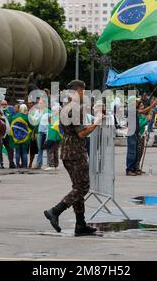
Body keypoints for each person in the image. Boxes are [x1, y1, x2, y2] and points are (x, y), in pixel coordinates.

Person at [44, 80, 102, 237]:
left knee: (78, 187)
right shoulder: (75, 109)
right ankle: (55, 211)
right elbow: (82, 133)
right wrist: (97, 122)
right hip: (76, 152)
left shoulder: (66, 108)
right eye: (83, 91)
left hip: (69, 151)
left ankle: (80, 224)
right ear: (78, 91)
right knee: (82, 188)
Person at [9, 104, 32, 169]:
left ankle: (18, 166)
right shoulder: (27, 117)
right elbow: (32, 126)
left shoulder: (14, 117)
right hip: (25, 137)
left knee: (17, 152)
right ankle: (25, 166)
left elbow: (10, 124)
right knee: (24, 152)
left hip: (16, 137)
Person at [0, 100, 15, 169]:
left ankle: (11, 163)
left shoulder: (10, 112)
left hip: (8, 134)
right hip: (0, 134)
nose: (4, 106)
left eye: (5, 104)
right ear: (0, 105)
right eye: (2, 104)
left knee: (10, 149)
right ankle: (0, 163)